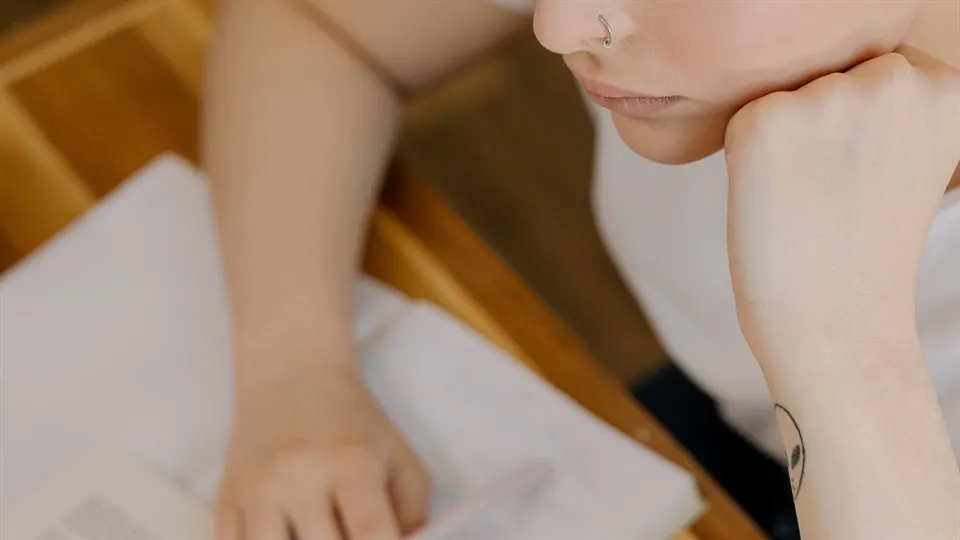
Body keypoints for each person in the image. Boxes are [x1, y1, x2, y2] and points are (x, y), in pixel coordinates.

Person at [201, 0, 960, 537]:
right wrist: (294, 373)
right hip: (737, 428)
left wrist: (845, 354)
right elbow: (314, 19)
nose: (556, 25)